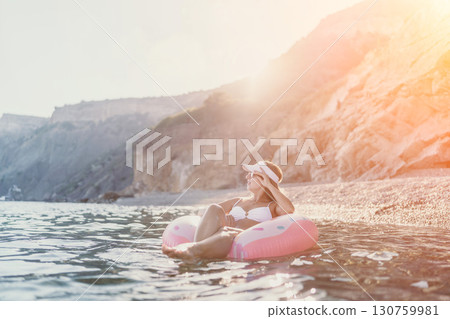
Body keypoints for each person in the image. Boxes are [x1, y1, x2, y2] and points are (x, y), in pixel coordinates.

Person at [162, 160, 295, 260]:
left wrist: (270, 185)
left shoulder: (272, 206)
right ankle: (195, 249)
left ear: (265, 179)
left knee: (228, 232)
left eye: (253, 174)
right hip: (216, 234)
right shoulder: (238, 201)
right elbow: (202, 213)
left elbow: (289, 209)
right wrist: (222, 221)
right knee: (215, 208)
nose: (247, 177)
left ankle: (192, 251)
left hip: (236, 238)